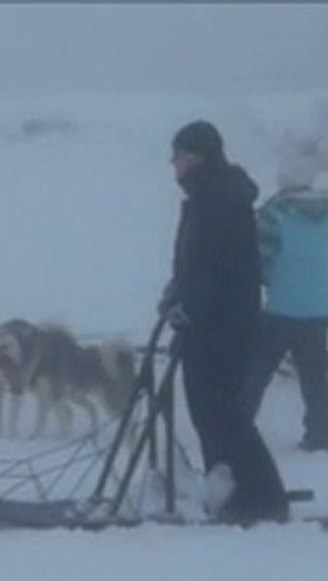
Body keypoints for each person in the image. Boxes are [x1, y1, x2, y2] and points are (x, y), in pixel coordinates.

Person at [159, 120, 289, 525]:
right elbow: (196, 266)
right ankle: (233, 490)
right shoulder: (212, 196)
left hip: (222, 327)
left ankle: (262, 498)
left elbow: (215, 268)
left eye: (178, 157)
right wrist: (175, 295)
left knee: (222, 413)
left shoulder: (217, 200)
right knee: (215, 413)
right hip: (216, 323)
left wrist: (189, 305)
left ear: (196, 156)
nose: (175, 166)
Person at [243, 151, 328, 451]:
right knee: (316, 377)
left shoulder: (273, 213)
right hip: (319, 308)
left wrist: (266, 280)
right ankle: (320, 434)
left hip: (281, 309)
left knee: (257, 371)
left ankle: (240, 426)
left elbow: (260, 259)